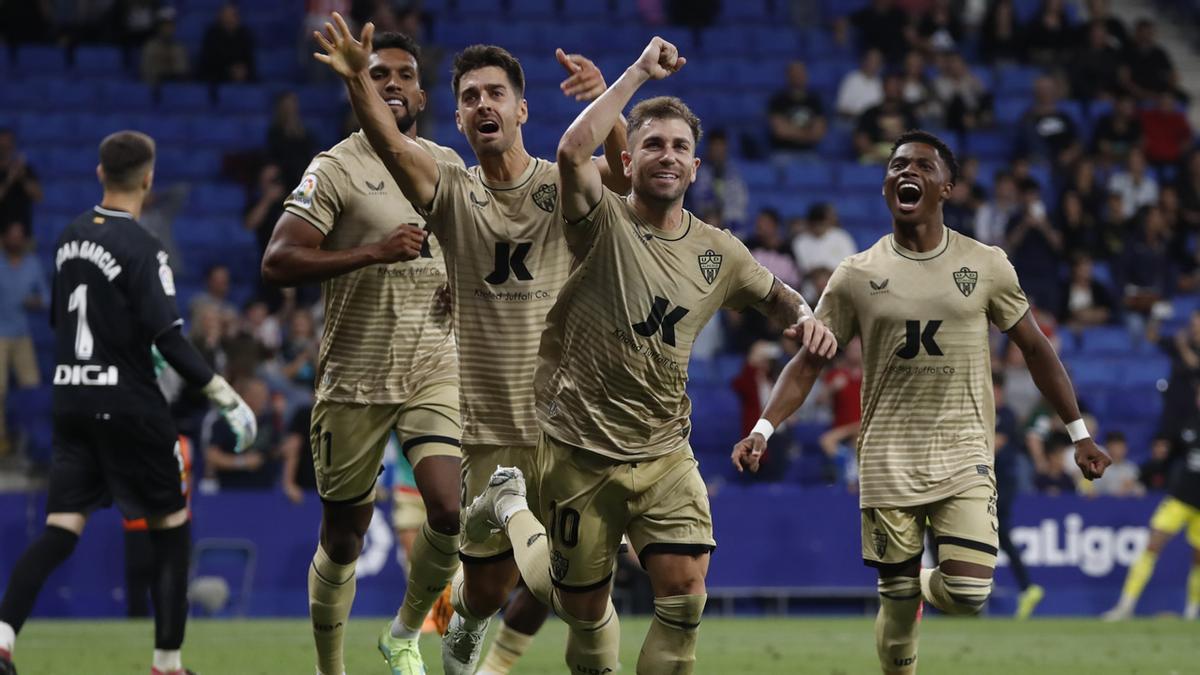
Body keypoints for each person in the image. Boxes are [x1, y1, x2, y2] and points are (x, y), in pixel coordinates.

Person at [463, 37, 837, 674]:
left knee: (686, 594)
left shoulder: (720, 253)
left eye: (680, 147)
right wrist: (636, 72)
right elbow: (572, 151)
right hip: (579, 449)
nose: (668, 155)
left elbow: (777, 297)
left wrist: (807, 320)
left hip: (665, 450)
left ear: (696, 169)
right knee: (577, 608)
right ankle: (507, 505)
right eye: (654, 145)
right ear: (629, 161)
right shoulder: (597, 219)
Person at [307, 15, 630, 674]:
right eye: (472, 96)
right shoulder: (429, 182)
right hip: (429, 408)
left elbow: (621, 177)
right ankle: (381, 649)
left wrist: (612, 106)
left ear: (521, 108)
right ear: (457, 117)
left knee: (534, 577)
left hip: (537, 412)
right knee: (486, 578)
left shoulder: (550, 181)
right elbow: (389, 147)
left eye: (496, 94)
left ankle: (439, 630)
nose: (485, 104)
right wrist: (356, 85)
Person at [732, 130, 1111, 675]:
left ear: (946, 188)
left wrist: (1079, 435)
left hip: (964, 450)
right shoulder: (856, 273)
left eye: (923, 165)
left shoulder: (985, 264)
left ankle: (915, 584)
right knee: (896, 604)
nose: (907, 171)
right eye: (897, 164)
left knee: (966, 591)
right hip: (887, 457)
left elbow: (1035, 347)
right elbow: (811, 359)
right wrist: (764, 429)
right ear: (887, 186)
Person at [0, 131, 256, 675]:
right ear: (148, 178)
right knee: (171, 530)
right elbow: (169, 336)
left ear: (99, 174)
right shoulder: (144, 248)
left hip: (71, 399)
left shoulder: (68, 237)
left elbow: (66, 322)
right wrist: (224, 394)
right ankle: (167, 664)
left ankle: (1, 639)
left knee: (60, 529)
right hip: (131, 407)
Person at [1103, 385, 1200, 621]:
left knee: (1198, 558)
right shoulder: (1189, 424)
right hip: (1180, 498)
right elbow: (1166, 458)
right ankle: (1126, 606)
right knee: (1152, 544)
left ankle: (1191, 612)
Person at [991, 372, 1043, 619]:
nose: (993, 395)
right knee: (999, 534)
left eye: (996, 391)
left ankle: (974, 584)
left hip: (1004, 482)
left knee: (991, 528)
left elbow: (994, 445)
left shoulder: (1007, 416)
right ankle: (1027, 588)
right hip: (987, 482)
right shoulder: (982, 413)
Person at [0, 220, 47, 455]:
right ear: (5, 238)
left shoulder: (32, 264)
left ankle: (32, 440)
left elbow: (47, 297)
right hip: (0, 333)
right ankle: (1, 439)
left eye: (20, 235)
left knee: (31, 387)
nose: (16, 240)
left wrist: (36, 302)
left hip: (22, 334)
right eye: (12, 235)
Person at [766, 61, 827, 158]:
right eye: (795, 73)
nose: (798, 76)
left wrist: (792, 132)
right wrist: (807, 134)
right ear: (788, 76)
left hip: (809, 153)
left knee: (819, 170)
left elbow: (818, 132)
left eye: (801, 73)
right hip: (783, 152)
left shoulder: (814, 101)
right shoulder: (778, 100)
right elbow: (780, 131)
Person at [0, 129, 42, 237]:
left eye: (8, 146)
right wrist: (10, 178)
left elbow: (38, 196)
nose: (5, 150)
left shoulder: (25, 170)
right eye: (2, 146)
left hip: (23, 235)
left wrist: (22, 177)